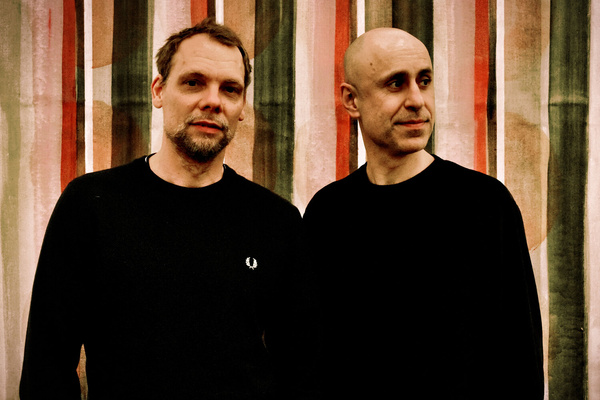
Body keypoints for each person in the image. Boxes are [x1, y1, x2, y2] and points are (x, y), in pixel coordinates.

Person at [21, 18, 316, 399]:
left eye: (230, 89)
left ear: (241, 106)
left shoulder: (277, 221)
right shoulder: (90, 204)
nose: (213, 101)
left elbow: (301, 368)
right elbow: (46, 365)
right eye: (194, 82)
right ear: (159, 91)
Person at [303, 28, 544, 399]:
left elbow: (519, 358)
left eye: (424, 81)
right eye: (395, 84)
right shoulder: (328, 213)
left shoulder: (484, 205)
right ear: (352, 100)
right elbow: (314, 356)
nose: (417, 100)